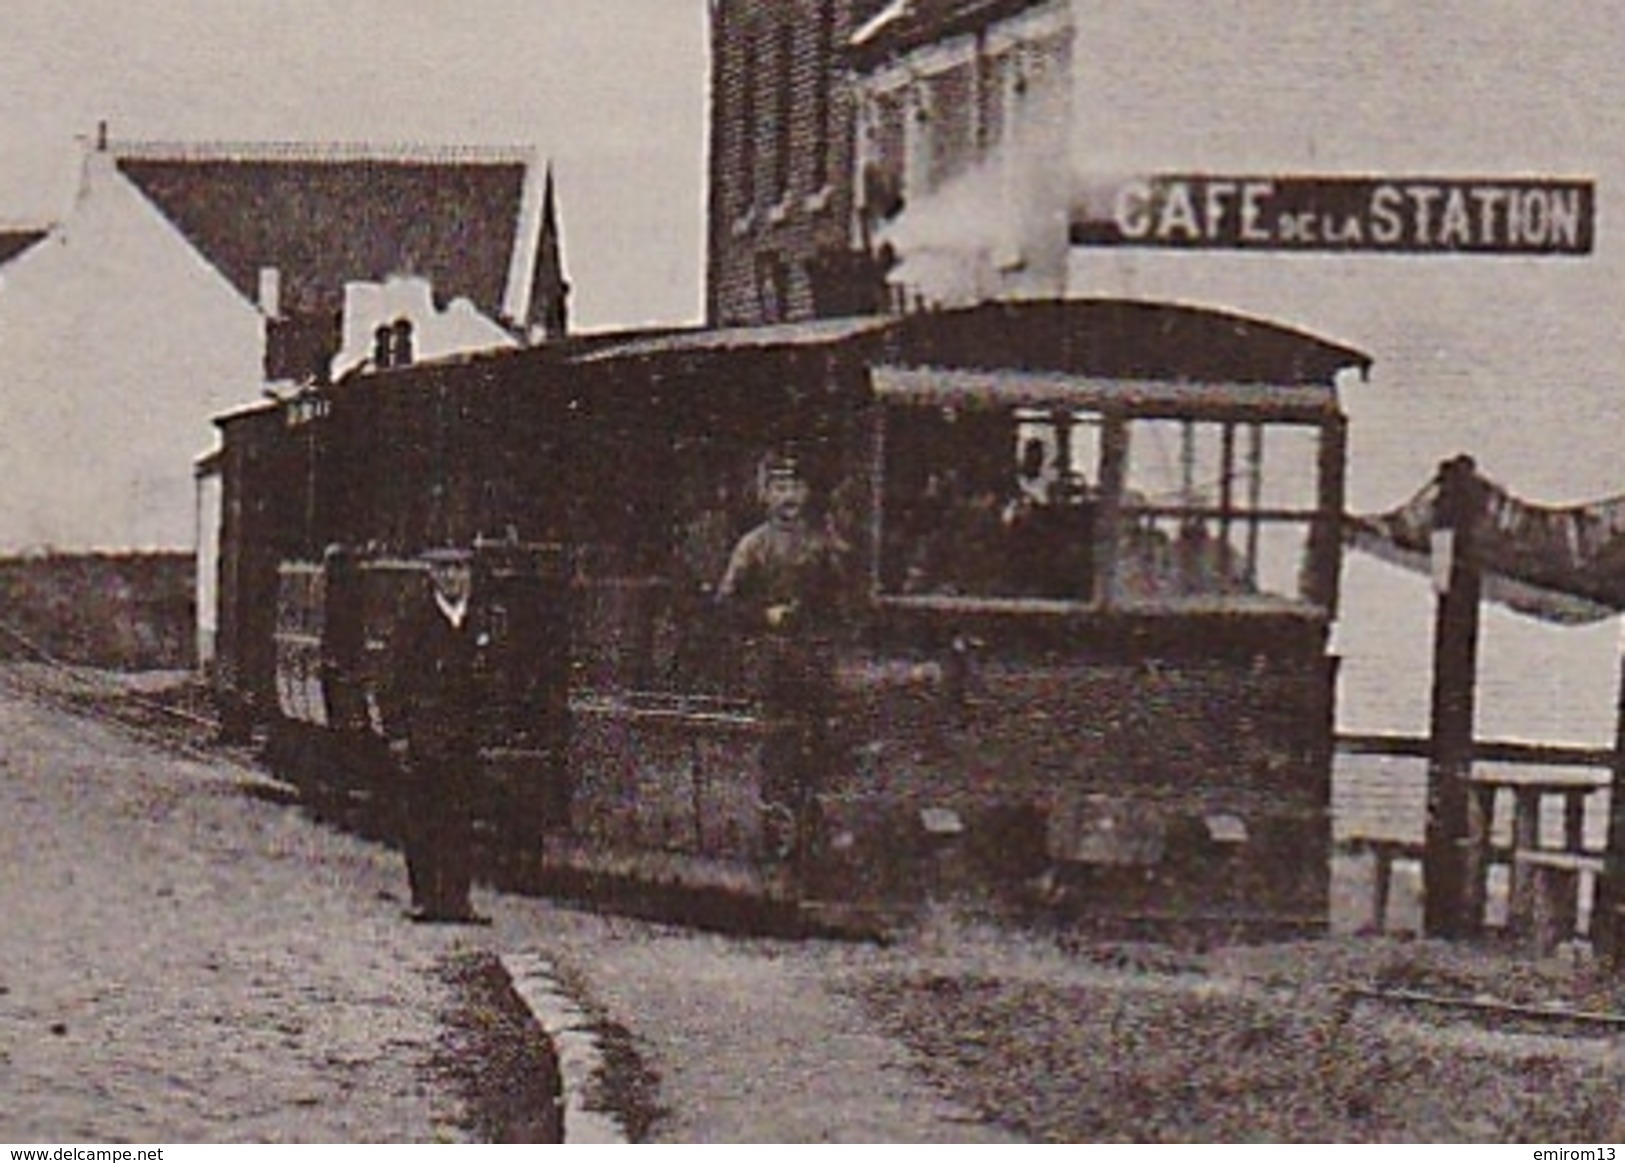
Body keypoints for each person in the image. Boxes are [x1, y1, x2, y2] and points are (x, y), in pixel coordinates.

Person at [716, 449, 848, 859]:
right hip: (770, 660)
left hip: (813, 659)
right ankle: (774, 833)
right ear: (766, 495)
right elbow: (725, 604)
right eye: (779, 487)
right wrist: (764, 615)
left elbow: (841, 598)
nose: (788, 496)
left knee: (818, 744)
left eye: (794, 486)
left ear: (806, 493)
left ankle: (814, 829)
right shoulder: (753, 546)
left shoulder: (822, 543)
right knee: (775, 746)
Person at [377, 546, 490, 924]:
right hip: (424, 737)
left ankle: (458, 899)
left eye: (460, 569)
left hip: (465, 737)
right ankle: (424, 896)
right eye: (445, 570)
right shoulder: (415, 620)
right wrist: (397, 734)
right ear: (432, 575)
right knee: (422, 818)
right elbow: (390, 680)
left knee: (461, 819)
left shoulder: (480, 621)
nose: (453, 578)